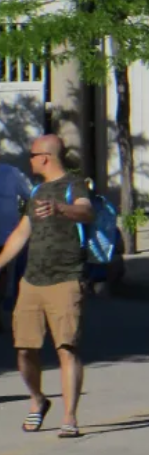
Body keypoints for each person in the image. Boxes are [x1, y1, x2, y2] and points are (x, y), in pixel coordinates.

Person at [0, 135, 95, 438]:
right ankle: (38, 400)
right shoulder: (37, 191)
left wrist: (59, 208)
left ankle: (69, 417)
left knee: (66, 348)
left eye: (31, 155)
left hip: (66, 278)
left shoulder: (74, 185)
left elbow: (85, 211)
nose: (28, 160)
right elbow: (20, 234)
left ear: (45, 157)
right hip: (31, 280)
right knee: (25, 350)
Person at [0, 159, 30, 314]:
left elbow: (29, 196)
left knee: (4, 272)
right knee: (4, 272)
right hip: (7, 233)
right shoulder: (12, 172)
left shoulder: (11, 172)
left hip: (7, 234)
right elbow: (28, 196)